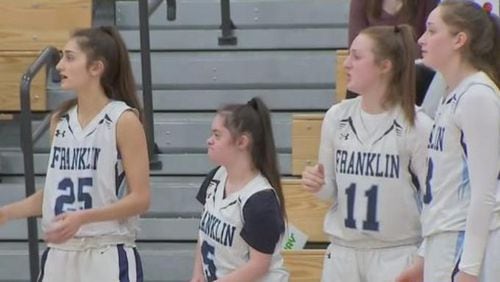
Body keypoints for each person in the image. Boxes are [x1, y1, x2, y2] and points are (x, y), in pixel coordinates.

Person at [0, 26, 150, 281]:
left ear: (96, 68)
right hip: (60, 255)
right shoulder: (60, 120)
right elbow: (53, 193)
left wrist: (83, 218)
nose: (59, 66)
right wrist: (6, 212)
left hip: (106, 254)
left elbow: (141, 199)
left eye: (69, 57)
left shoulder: (122, 120)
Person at [301, 24, 433, 282]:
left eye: (357, 56)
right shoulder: (336, 117)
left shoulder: (418, 126)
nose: (347, 63)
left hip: (396, 254)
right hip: (342, 254)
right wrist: (317, 185)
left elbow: (435, 202)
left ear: (385, 66)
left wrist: (424, 257)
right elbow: (330, 191)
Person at [398, 1, 500, 281]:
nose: (421, 39)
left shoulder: (478, 96)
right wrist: (423, 257)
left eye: (431, 31)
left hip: (464, 245)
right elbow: (444, 189)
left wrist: (468, 269)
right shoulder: (451, 94)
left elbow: (484, 194)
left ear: (459, 39)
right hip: (443, 241)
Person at [190, 97, 289, 282]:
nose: (209, 140)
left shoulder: (260, 200)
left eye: (217, 135)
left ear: (242, 142)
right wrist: (197, 275)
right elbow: (204, 235)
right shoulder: (216, 177)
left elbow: (259, 265)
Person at [348, 0, 439, 46]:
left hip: (414, 73)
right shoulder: (361, 2)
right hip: (374, 72)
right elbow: (356, 46)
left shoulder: (427, 2)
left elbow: (430, 46)